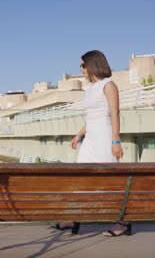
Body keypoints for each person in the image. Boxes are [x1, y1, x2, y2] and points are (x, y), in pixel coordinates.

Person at [52, 50, 130, 237]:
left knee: (110, 182)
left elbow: (114, 113)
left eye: (82, 65)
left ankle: (122, 223)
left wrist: (116, 140)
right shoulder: (91, 89)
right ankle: (73, 219)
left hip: (105, 137)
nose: (80, 69)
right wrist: (79, 135)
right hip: (90, 139)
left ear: (93, 65)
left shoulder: (108, 85)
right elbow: (92, 117)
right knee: (80, 179)